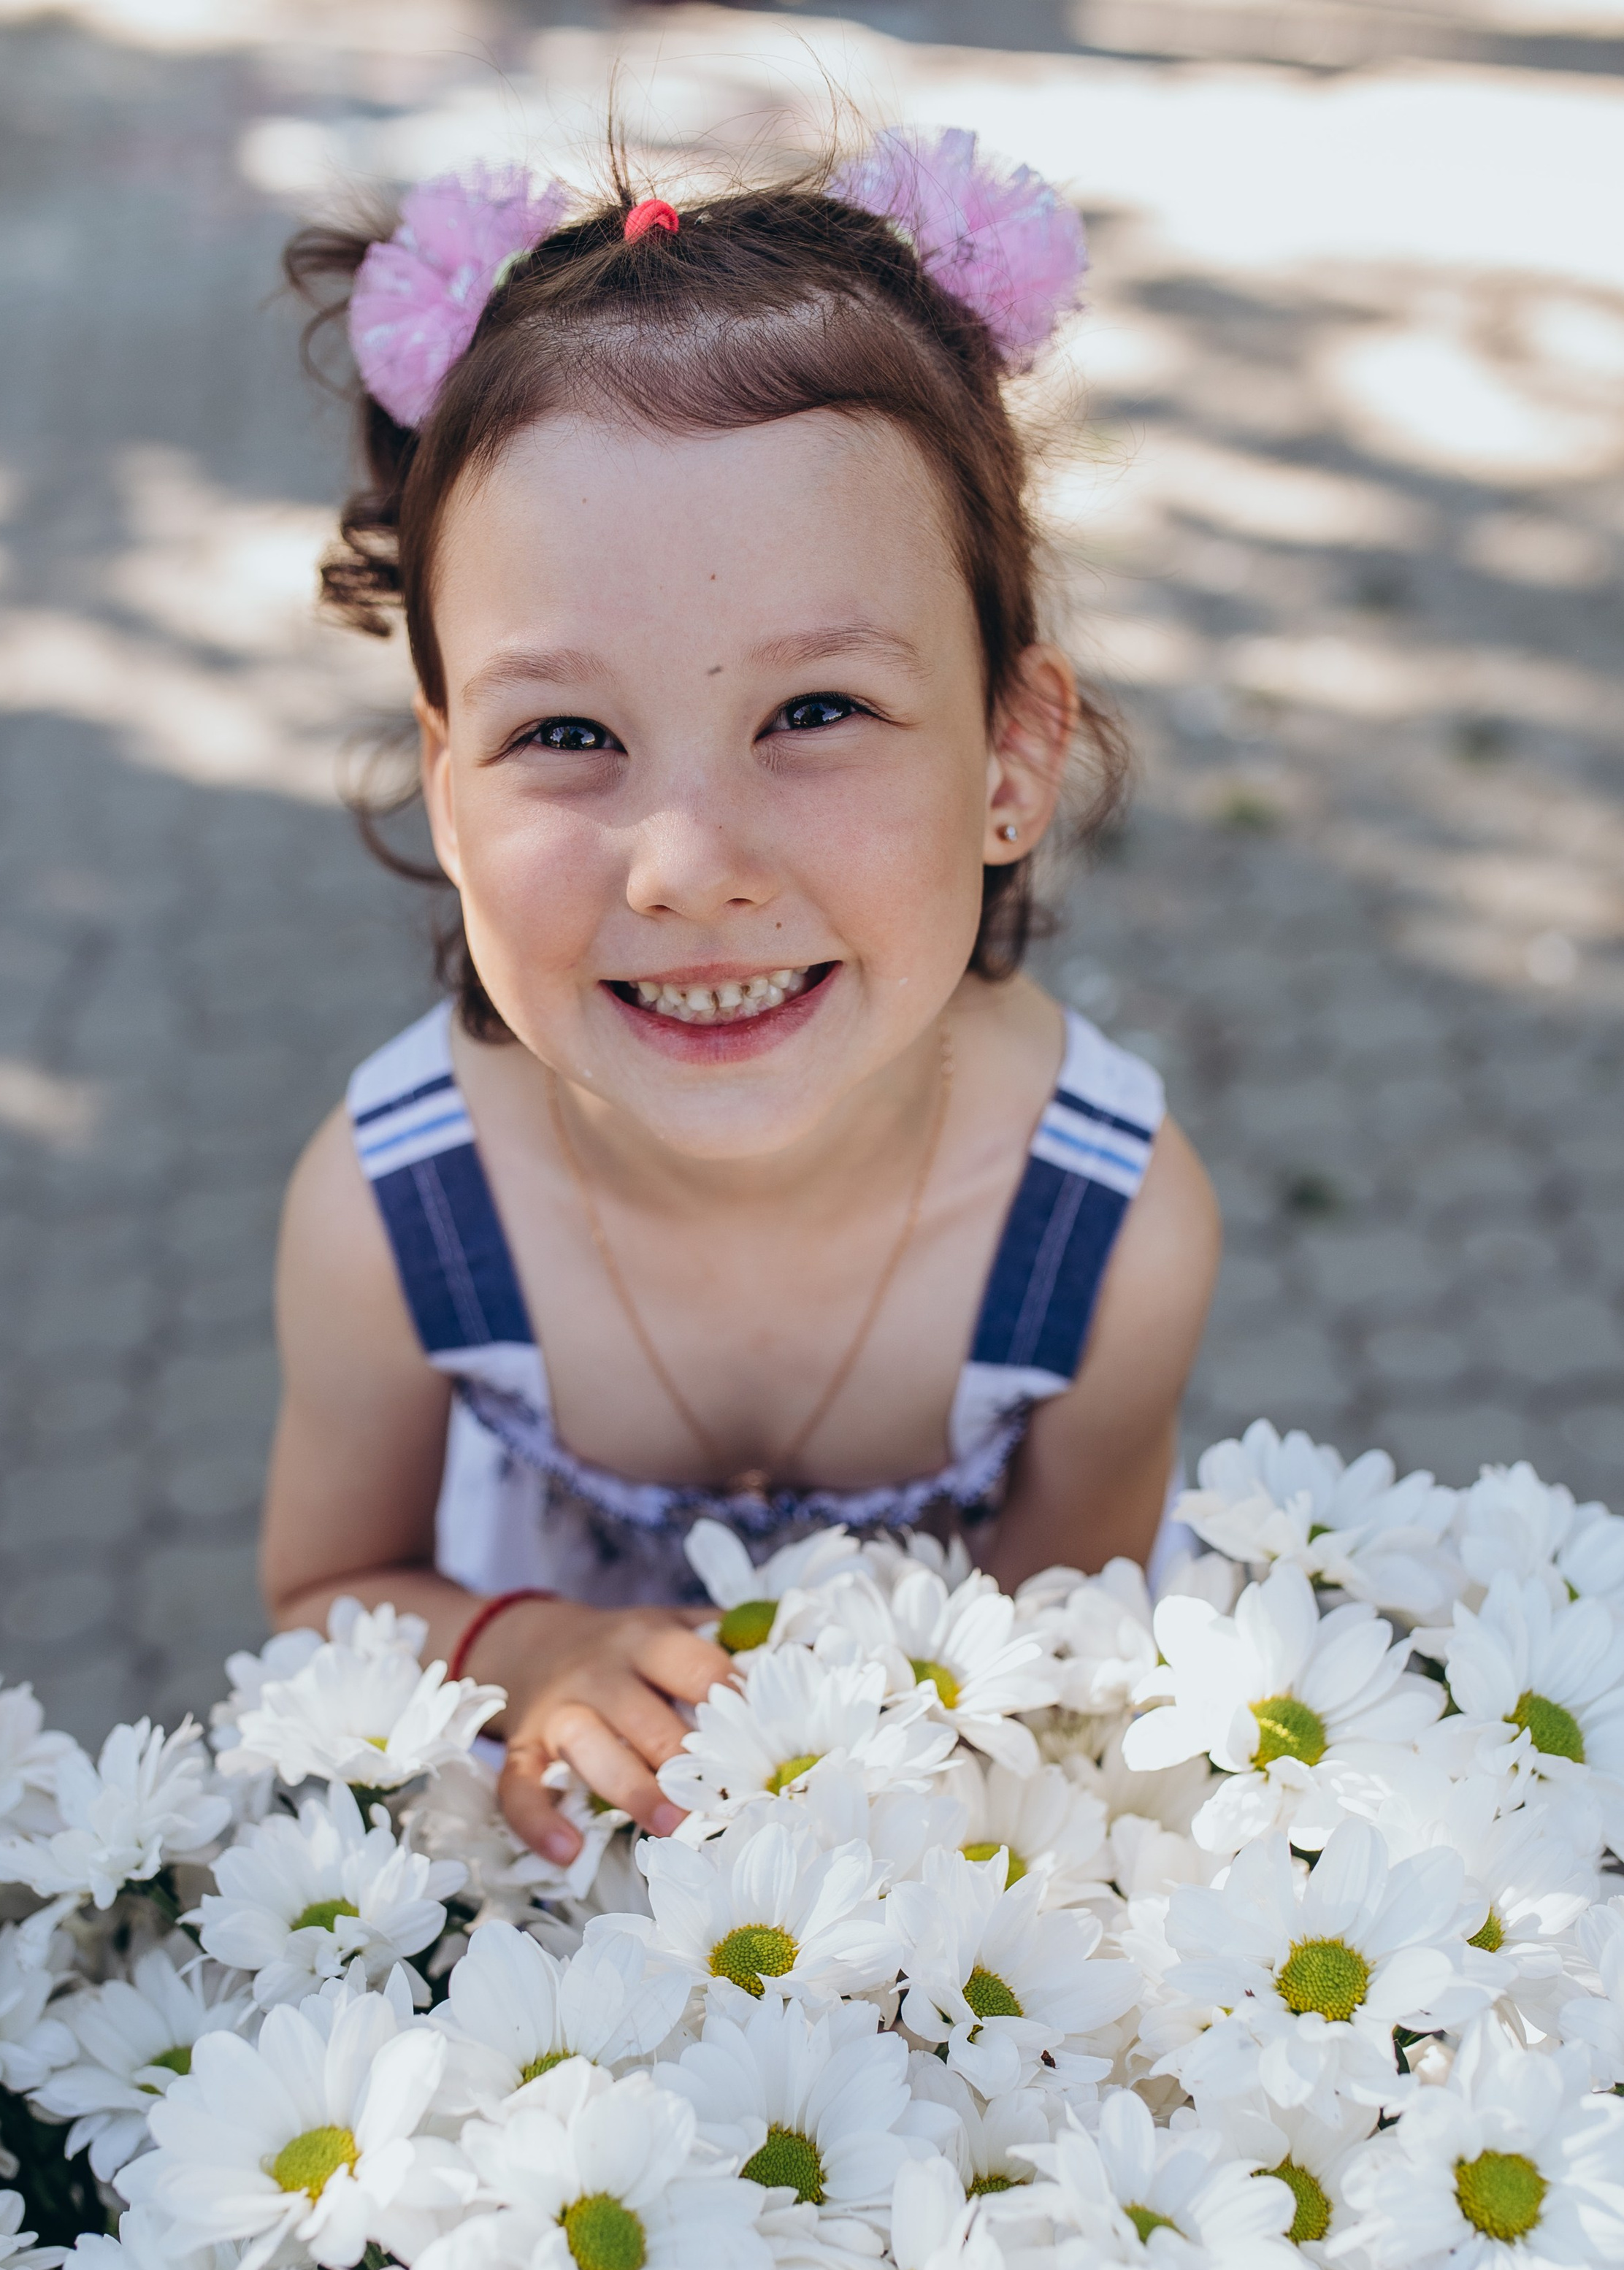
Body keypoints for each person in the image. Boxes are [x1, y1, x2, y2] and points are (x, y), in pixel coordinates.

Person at [262, 135, 1220, 1874]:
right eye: (564, 736)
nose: (686, 865)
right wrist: (520, 1647)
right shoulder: (392, 1217)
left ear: (1011, 755)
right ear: (445, 781)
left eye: (815, 712)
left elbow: (1065, 1706)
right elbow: (327, 1590)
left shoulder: (1104, 1239)